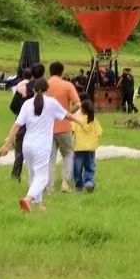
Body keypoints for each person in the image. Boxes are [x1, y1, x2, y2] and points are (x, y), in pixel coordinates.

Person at [0, 78, 81, 213]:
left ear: (33, 90)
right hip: (42, 146)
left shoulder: (27, 104)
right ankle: (28, 199)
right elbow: (67, 115)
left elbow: (16, 125)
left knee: (33, 175)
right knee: (42, 177)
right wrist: (79, 122)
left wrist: (8, 144)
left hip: (27, 145)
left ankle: (39, 205)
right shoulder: (51, 103)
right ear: (46, 89)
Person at [46, 61, 82, 193]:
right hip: (64, 126)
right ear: (62, 72)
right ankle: (65, 183)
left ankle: (49, 187)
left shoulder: (45, 85)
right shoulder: (67, 85)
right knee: (67, 154)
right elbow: (78, 104)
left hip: (47, 128)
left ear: (50, 72)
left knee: (50, 158)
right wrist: (68, 114)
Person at [8, 61, 44, 180]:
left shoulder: (23, 88)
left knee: (19, 153)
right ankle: (37, 176)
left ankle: (15, 175)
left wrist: (20, 115)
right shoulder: (45, 88)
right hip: (39, 126)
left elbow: (13, 106)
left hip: (23, 125)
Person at [73, 99, 103, 192]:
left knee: (77, 167)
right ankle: (89, 182)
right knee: (90, 166)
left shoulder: (77, 120)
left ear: (82, 109)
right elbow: (99, 132)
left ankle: (79, 186)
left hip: (79, 148)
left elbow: (72, 131)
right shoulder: (93, 120)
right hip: (91, 148)